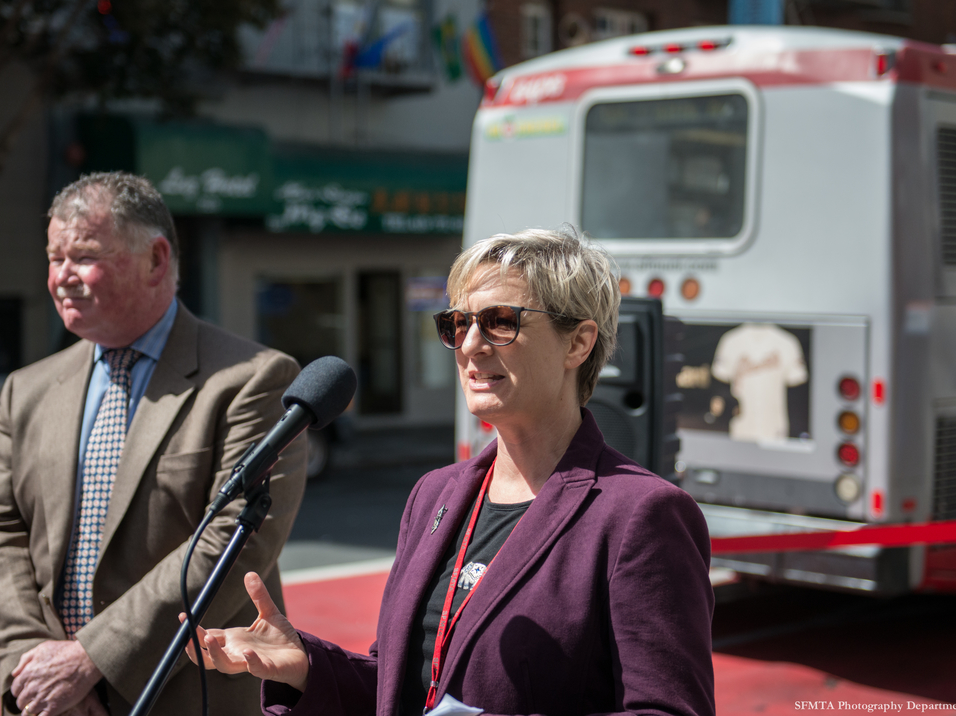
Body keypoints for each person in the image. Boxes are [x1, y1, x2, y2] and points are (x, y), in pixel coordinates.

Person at [185, 227, 716, 716]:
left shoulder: (642, 514)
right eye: (458, 323)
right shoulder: (434, 494)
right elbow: (399, 686)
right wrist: (304, 664)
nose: (469, 345)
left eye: (500, 322)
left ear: (578, 342)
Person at [0, 172, 308, 716]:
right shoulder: (26, 391)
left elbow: (234, 543)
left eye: (84, 256)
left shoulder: (251, 380)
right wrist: (32, 664)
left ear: (156, 259)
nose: (62, 277)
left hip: (188, 697)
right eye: (54, 258)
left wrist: (90, 659)